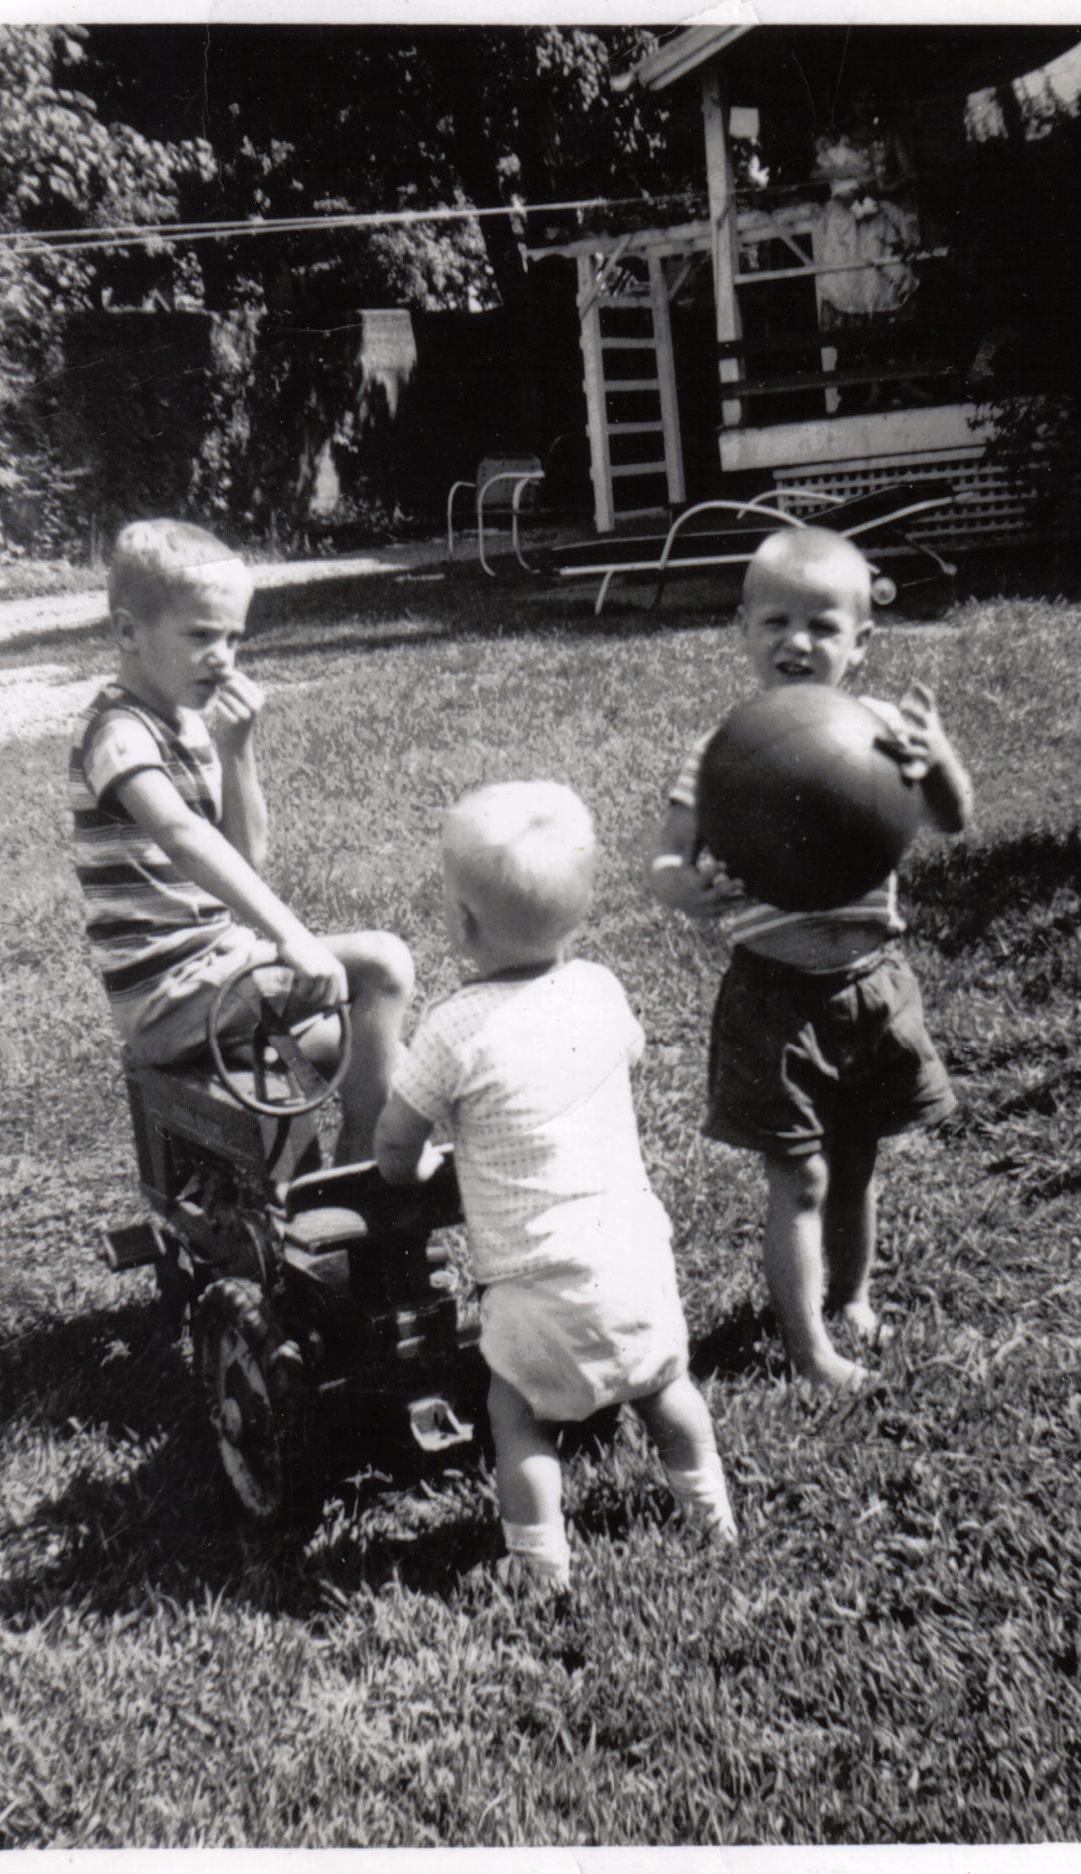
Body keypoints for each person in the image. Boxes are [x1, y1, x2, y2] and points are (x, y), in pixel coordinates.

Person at [374, 782, 736, 1594]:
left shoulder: (453, 1029)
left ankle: (539, 1565)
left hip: (535, 1280)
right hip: (636, 1257)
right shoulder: (602, 991)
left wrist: (408, 1169)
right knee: (665, 1387)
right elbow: (627, 1055)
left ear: (462, 924)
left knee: (516, 1415)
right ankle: (711, 1514)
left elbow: (397, 1140)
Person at [647, 527, 974, 1392]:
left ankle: (853, 1297)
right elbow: (664, 859)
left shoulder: (879, 732)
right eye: (777, 622)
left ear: (861, 643)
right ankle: (809, 1348)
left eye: (824, 626)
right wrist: (689, 889)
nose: (798, 642)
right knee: (800, 1175)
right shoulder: (728, 748)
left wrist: (935, 759)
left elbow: (955, 818)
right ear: (743, 629)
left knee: (858, 1161)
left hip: (873, 985)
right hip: (775, 997)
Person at [69, 519, 412, 1163]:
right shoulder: (118, 732)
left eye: (232, 638)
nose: (222, 657)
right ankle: (362, 1168)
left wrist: (238, 749)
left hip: (216, 972)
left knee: (382, 1050)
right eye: (200, 635)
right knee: (382, 963)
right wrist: (292, 937)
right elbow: (181, 836)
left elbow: (246, 854)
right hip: (168, 995)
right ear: (127, 633)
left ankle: (344, 1188)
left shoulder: (191, 726)